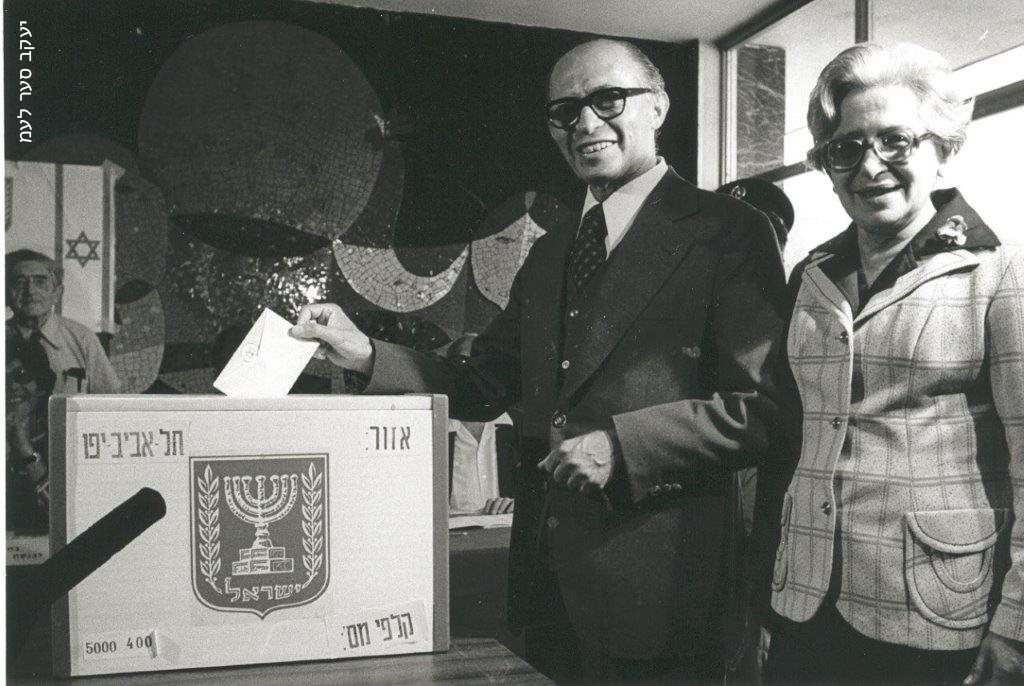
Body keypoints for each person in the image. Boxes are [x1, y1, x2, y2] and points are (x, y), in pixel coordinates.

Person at [292, 37, 789, 682]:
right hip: (549, 586)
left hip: (663, 595)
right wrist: (364, 354)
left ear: (659, 107)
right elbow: (483, 383)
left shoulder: (729, 231)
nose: (585, 122)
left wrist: (623, 447)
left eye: (608, 99)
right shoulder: (553, 251)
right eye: (565, 111)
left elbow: (762, 410)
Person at [767, 43, 1024, 685]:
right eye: (847, 148)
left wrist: (1017, 623)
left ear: (943, 148)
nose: (870, 166)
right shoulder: (811, 275)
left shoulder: (1001, 273)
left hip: (934, 613)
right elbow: (793, 443)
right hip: (806, 602)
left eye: (896, 141)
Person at [5, 249, 121, 395]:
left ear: (57, 293)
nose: (30, 291)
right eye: (20, 283)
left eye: (40, 282)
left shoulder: (83, 339)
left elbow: (108, 401)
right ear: (6, 294)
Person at [445, 334, 516, 516]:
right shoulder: (432, 432)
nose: (474, 375)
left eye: (482, 365)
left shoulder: (518, 429)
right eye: (463, 363)